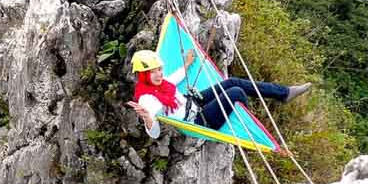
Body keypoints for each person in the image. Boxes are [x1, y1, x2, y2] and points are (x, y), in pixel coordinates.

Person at [126, 48, 311, 140]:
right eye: (153, 72)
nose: (158, 74)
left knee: (233, 82)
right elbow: (154, 133)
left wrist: (188, 63)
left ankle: (284, 93)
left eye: (159, 69)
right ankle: (246, 121)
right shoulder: (147, 99)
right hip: (200, 120)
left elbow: (174, 78)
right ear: (143, 76)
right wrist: (147, 119)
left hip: (196, 102)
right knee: (236, 92)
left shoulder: (160, 84)